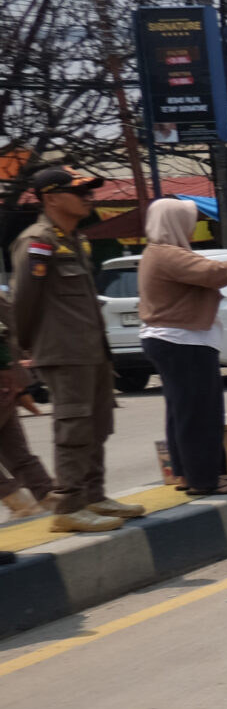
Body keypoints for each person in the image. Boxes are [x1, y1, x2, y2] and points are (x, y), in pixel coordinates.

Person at [6, 166, 136, 533]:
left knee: (97, 425)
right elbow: (23, 303)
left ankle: (93, 496)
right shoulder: (38, 241)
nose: (88, 196)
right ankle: (68, 505)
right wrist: (30, 349)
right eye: (78, 191)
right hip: (64, 351)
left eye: (89, 190)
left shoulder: (74, 239)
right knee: (74, 427)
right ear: (50, 198)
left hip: (91, 349)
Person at [137, 197, 227, 495]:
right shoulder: (167, 254)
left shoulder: (158, 253)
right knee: (200, 412)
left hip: (174, 340)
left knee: (183, 411)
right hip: (183, 341)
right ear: (173, 223)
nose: (194, 227)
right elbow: (216, 274)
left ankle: (187, 474)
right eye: (188, 220)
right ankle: (205, 479)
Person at [0, 277, 53, 520]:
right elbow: (16, 333)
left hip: (7, 382)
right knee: (16, 451)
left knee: (16, 451)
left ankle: (20, 502)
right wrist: (24, 384)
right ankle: (49, 498)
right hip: (8, 383)